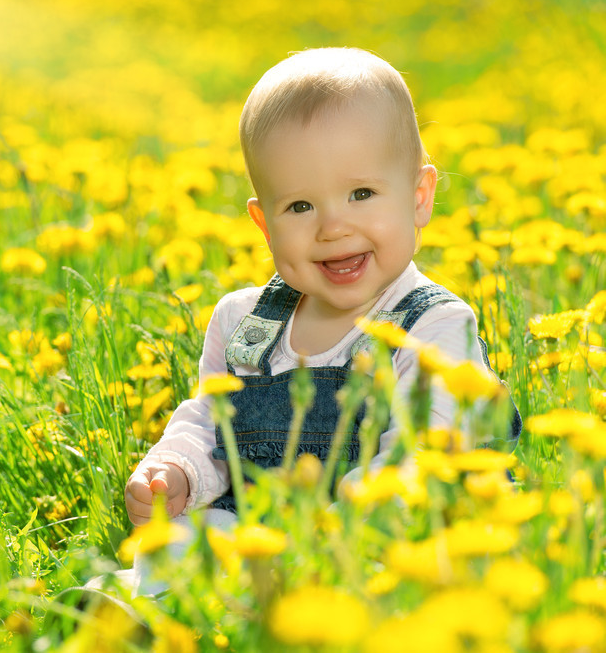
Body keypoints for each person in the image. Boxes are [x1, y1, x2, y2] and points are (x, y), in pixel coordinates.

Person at [123, 47, 521, 593]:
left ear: (419, 197)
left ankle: (202, 603)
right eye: (300, 207)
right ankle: (145, 607)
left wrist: (331, 541)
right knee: (182, 537)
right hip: (267, 538)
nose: (333, 226)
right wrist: (175, 472)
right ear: (264, 224)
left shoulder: (434, 326)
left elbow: (420, 457)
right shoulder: (245, 324)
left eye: (361, 193)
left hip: (382, 546)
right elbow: (209, 426)